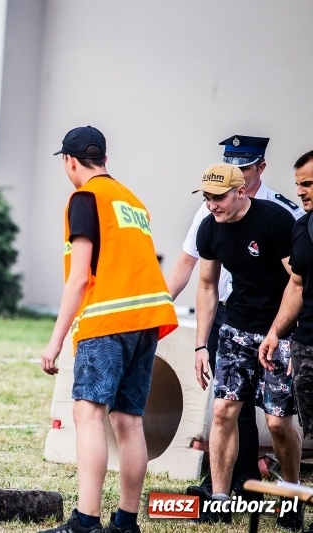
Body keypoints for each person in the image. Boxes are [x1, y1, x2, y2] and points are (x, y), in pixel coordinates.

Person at [40, 126, 177, 533]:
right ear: (104, 160)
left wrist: (55, 340)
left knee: (88, 413)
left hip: (108, 318)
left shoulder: (84, 198)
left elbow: (80, 277)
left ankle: (86, 520)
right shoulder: (132, 200)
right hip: (146, 320)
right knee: (129, 420)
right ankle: (126, 522)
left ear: (70, 161)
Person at [166, 135, 303, 501]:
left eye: (219, 197)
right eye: (207, 198)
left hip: (280, 331)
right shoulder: (211, 226)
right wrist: (200, 345)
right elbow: (207, 286)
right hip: (236, 328)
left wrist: (278, 332)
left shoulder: (276, 220)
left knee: (277, 422)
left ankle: (292, 494)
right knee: (224, 411)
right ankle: (221, 498)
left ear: (241, 192)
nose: (211, 205)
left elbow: (298, 282)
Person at [259, 149, 313, 533]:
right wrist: (276, 333)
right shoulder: (302, 226)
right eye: (298, 184)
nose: (300, 192)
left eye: (308, 183)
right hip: (306, 342)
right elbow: (296, 284)